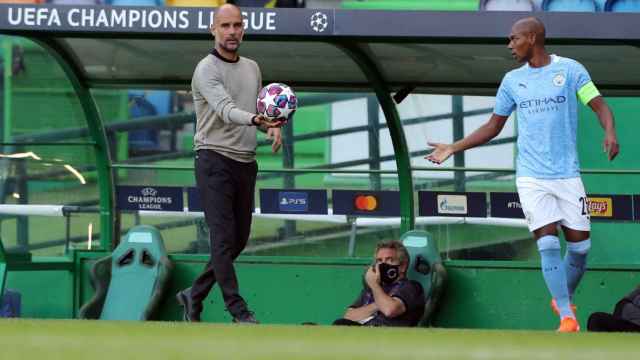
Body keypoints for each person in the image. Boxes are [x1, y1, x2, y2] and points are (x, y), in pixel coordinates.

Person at [426, 17, 619, 332]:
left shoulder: (570, 70)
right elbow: (493, 126)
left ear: (532, 37)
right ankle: (567, 317)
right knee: (547, 242)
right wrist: (453, 147)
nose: (509, 45)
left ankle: (562, 298)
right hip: (531, 175)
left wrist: (610, 131)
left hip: (568, 175)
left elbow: (598, 105)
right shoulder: (512, 80)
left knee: (581, 248)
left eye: (513, 38)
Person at [176, 3, 283, 324]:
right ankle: (238, 311)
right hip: (213, 159)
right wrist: (256, 118)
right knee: (222, 240)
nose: (232, 31)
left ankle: (193, 294)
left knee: (238, 241)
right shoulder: (206, 69)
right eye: (225, 26)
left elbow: (254, 110)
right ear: (213, 30)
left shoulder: (252, 67)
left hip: (245, 163)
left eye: (237, 25)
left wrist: (271, 126)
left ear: (244, 29)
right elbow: (226, 110)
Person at [333, 241, 425, 327]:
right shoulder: (371, 288)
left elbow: (389, 310)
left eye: (389, 260)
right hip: (362, 334)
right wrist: (378, 304)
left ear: (403, 266)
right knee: (339, 324)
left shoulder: (411, 287)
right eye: (379, 261)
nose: (382, 265)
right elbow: (349, 316)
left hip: (387, 337)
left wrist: (374, 285)